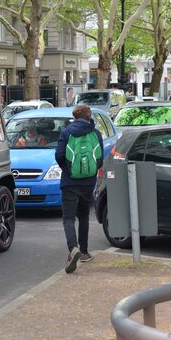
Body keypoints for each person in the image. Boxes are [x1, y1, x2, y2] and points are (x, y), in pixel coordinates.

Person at [55, 105, 103, 273]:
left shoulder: (66, 132)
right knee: (83, 215)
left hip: (69, 181)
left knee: (68, 218)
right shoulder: (96, 133)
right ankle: (83, 252)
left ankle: (72, 248)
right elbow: (100, 159)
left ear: (74, 117)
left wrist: (68, 170)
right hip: (88, 182)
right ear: (89, 117)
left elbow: (59, 155)